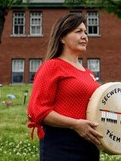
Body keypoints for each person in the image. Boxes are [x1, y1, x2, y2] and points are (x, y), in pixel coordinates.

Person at [27, 13, 103, 160]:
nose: (85, 36)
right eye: (78, 31)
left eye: (86, 32)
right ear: (62, 38)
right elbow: (36, 110)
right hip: (61, 147)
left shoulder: (88, 73)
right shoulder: (51, 67)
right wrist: (75, 124)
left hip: (89, 147)